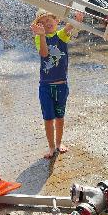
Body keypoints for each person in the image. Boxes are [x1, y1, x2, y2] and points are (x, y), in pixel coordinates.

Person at [30, 9, 81, 159]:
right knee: (48, 119)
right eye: (42, 22)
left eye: (49, 20)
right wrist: (41, 35)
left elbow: (70, 26)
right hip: (45, 86)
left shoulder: (62, 36)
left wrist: (77, 18)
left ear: (57, 20)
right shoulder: (40, 38)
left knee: (60, 117)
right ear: (39, 26)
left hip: (61, 85)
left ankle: (59, 143)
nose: (47, 23)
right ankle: (51, 147)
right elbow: (44, 54)